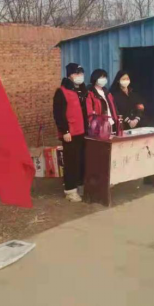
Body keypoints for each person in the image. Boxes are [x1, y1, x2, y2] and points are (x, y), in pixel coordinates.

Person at [53, 63, 88, 203]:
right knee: (71, 162)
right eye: (76, 73)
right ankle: (70, 190)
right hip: (71, 133)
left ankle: (81, 185)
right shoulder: (62, 92)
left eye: (81, 73)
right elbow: (58, 114)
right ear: (69, 75)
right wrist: (65, 131)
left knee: (82, 160)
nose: (80, 76)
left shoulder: (83, 91)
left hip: (83, 132)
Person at [86, 69, 120, 136]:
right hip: (99, 126)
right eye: (101, 77)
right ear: (95, 78)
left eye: (104, 77)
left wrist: (116, 120)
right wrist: (93, 125)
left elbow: (113, 108)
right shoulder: (90, 93)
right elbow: (89, 112)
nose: (103, 79)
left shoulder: (108, 93)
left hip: (111, 123)